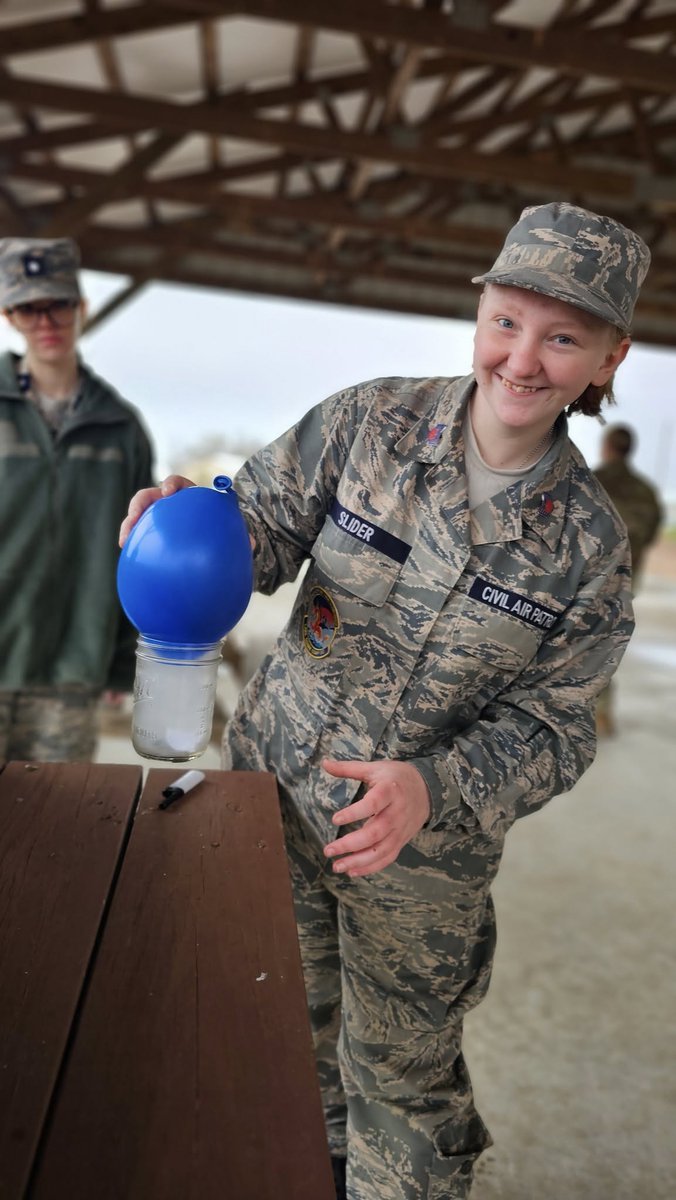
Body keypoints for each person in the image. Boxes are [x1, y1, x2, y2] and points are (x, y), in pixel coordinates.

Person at [120, 202, 650, 1200]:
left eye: (562, 337)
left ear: (607, 358)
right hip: (271, 807)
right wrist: (181, 520)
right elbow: (256, 530)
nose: (523, 360)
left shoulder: (588, 546)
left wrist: (431, 786)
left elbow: (554, 730)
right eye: (505, 322)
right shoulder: (369, 422)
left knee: (401, 1092)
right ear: (480, 313)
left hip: (420, 870)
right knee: (280, 1050)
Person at [0, 237, 154, 761]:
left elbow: (138, 552)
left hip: (71, 673)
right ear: (9, 315)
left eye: (59, 303)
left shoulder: (121, 427)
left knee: (51, 830)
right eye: (28, 307)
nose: (46, 321)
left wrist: (118, 661)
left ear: (81, 307)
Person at [593, 424, 663, 735]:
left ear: (607, 447)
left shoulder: (592, 481)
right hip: (627, 578)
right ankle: (602, 712)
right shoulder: (646, 491)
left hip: (591, 577)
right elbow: (649, 535)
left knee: (581, 641)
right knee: (609, 639)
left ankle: (588, 710)